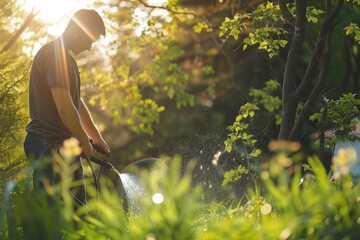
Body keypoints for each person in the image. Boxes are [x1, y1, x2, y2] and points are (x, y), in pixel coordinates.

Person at [23, 9, 110, 206]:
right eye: (90, 41)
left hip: (59, 145)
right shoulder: (55, 56)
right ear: (79, 31)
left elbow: (75, 102)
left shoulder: (66, 59)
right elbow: (64, 107)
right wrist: (84, 143)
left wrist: (95, 137)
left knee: (76, 214)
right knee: (59, 214)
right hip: (47, 144)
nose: (89, 48)